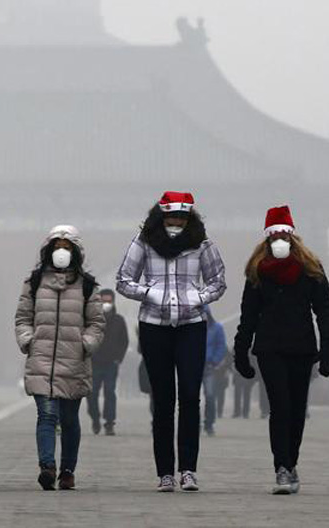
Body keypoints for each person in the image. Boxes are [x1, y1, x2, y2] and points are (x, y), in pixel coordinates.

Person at [116, 191, 226, 493]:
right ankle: (165, 472)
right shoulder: (144, 243)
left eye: (181, 217)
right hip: (154, 325)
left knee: (190, 396)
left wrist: (199, 297)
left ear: (190, 218)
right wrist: (149, 293)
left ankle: (188, 469)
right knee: (163, 400)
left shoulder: (202, 244)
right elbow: (123, 280)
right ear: (160, 217)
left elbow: (218, 281)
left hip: (192, 325)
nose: (176, 222)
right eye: (171, 217)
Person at [233, 205, 329, 494]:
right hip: (270, 348)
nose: (279, 240)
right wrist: (241, 352)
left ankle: (291, 463)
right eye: (275, 236)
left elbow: (325, 311)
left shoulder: (311, 268)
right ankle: (282, 467)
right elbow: (248, 316)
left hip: (302, 347)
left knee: (296, 410)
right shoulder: (257, 271)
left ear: (292, 237)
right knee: (280, 407)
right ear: (267, 238)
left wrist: (328, 348)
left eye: (284, 235)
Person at [15, 225, 105, 491]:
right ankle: (47, 466)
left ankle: (67, 470)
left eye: (67, 247)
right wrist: (28, 340)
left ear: (75, 251)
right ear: (48, 250)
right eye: (57, 246)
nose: (61, 251)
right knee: (46, 415)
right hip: (41, 358)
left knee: (69, 419)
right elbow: (23, 318)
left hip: (73, 360)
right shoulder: (34, 282)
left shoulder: (87, 285)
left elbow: (96, 323)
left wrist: (85, 345)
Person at [87, 288, 129, 436]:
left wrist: (118, 358)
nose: (106, 303)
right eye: (103, 301)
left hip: (111, 363)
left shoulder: (119, 320)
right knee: (92, 393)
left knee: (110, 392)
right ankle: (95, 418)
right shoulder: (91, 320)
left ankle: (109, 422)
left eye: (108, 301)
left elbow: (124, 341)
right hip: (94, 362)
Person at [202, 307, 226, 436]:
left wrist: (215, 360)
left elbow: (221, 345)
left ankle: (209, 423)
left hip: (209, 366)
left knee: (210, 396)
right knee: (191, 396)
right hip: (193, 365)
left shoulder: (217, 328)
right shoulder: (192, 328)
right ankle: (193, 423)